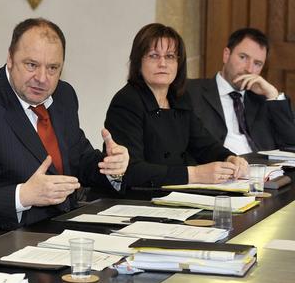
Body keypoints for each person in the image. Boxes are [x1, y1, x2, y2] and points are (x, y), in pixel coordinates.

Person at [0, 18, 129, 230]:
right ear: (10, 59)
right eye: (32, 65)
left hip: (66, 228)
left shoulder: (64, 95)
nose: (42, 78)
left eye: (52, 68)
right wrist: (23, 196)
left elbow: (78, 160)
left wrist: (112, 167)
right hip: (11, 239)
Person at [104, 23, 247, 187]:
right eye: (153, 55)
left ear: (179, 64)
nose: (163, 63)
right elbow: (131, 171)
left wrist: (230, 158)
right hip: (140, 198)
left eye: (170, 56)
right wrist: (195, 174)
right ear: (138, 61)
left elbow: (204, 144)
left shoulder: (179, 98)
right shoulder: (126, 102)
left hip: (175, 193)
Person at [186, 27, 295, 154]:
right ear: (226, 55)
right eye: (243, 57)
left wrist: (273, 95)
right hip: (220, 168)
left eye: (257, 64)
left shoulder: (265, 100)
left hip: (265, 170)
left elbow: (291, 144)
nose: (249, 69)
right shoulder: (192, 91)